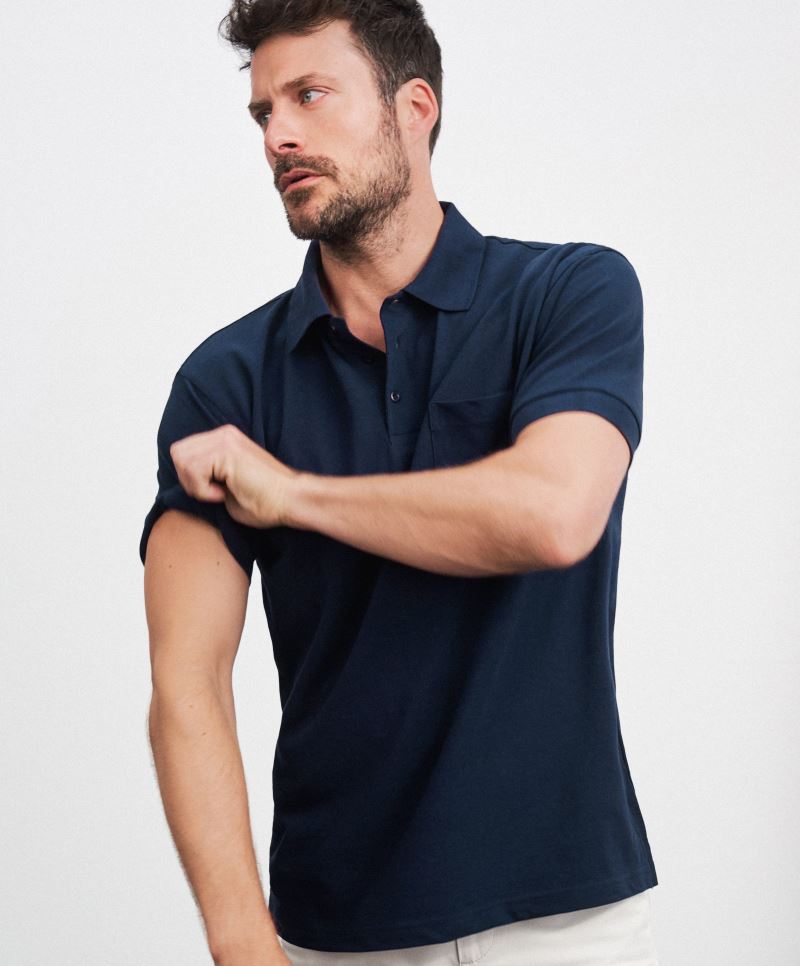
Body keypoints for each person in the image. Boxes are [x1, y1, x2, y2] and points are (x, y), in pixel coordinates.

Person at [140, 2, 660, 964]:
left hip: (566, 918)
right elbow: (187, 681)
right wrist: (242, 942)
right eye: (263, 112)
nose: (278, 135)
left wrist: (293, 495)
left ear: (414, 107)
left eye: (310, 95)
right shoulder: (226, 382)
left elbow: (553, 514)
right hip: (339, 930)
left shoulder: (568, 295)